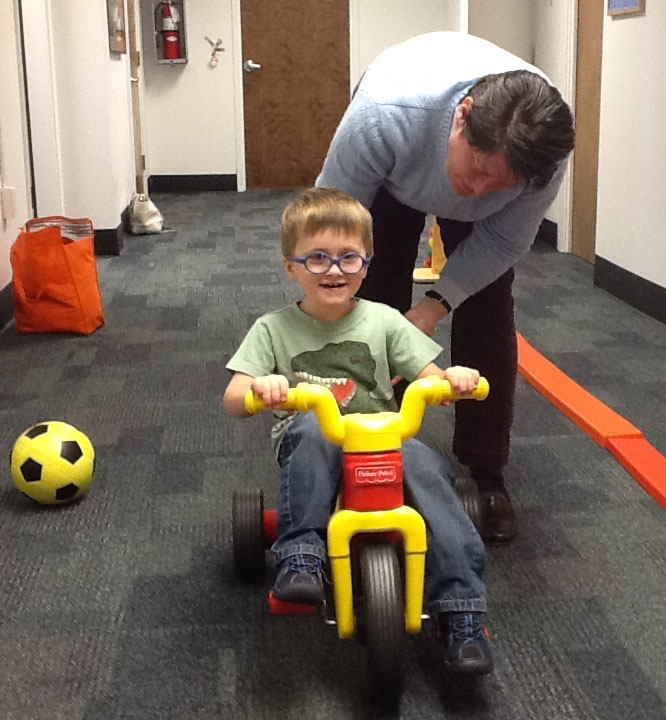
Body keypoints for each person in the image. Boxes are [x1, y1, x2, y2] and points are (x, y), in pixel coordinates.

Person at [317, 31, 576, 543]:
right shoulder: (383, 116)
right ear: (463, 117)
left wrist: (434, 307)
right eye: (477, 169)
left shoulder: (540, 155)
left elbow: (501, 242)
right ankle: (367, 450)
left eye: (498, 184)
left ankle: (487, 473)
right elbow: (330, 223)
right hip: (394, 178)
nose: (478, 191)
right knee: (373, 303)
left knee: (487, 309)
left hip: (475, 185)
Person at [223, 188, 493, 675]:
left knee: (433, 476)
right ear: (291, 267)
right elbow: (233, 398)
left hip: (387, 442)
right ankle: (301, 557)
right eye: (318, 258)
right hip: (316, 441)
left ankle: (463, 615)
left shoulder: (385, 321)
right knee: (312, 429)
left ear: (367, 264)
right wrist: (261, 388)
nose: (334, 270)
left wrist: (452, 381)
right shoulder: (272, 329)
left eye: (349, 258)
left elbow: (429, 379)